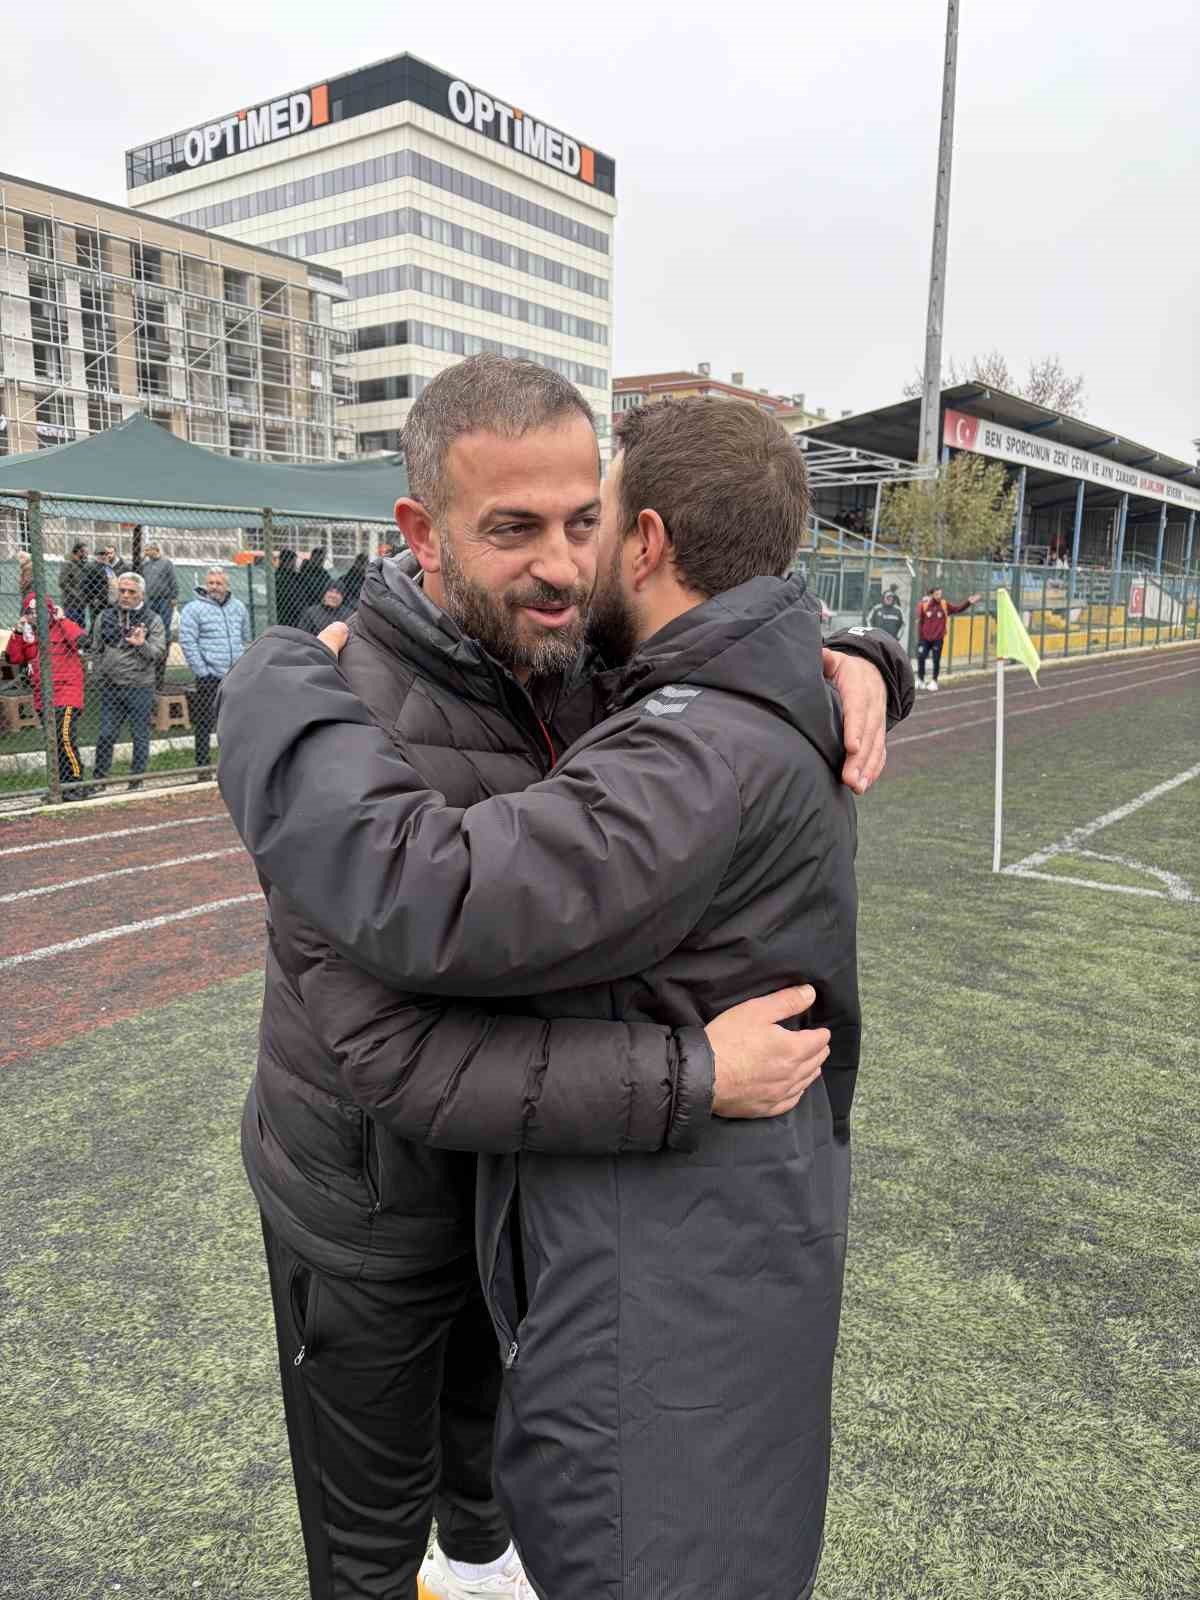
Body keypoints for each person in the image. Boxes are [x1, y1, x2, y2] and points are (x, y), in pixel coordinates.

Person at [218, 357, 912, 1600]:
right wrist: (694, 1073)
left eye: (582, 521)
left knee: (490, 1513)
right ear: (421, 533)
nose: (558, 563)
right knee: (370, 1546)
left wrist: (857, 657)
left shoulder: (596, 663)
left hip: (527, 1202)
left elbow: (725, 626)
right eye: (513, 529)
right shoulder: (345, 713)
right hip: (368, 1213)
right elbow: (398, 1055)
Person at [85, 571, 166, 791]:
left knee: (140, 735)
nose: (125, 595)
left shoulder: (153, 619)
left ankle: (136, 780)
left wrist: (142, 645)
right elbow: (96, 649)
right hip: (111, 687)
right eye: (122, 591)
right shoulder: (104, 616)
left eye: (131, 591)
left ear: (141, 594)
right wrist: (99, 674)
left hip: (140, 687)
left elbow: (159, 652)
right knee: (106, 734)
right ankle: (100, 780)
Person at [5, 592, 88, 797]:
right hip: (43, 696)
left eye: (39, 611)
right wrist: (17, 632)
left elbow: (83, 641)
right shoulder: (27, 635)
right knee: (54, 742)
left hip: (67, 691)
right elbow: (13, 658)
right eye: (30, 612)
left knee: (64, 737)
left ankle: (76, 783)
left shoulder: (62, 626)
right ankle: (60, 785)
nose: (35, 616)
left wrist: (62, 619)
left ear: (50, 611)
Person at [179, 568, 250, 778]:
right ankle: (203, 767)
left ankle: (235, 763)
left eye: (219, 583)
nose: (214, 587)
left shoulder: (238, 607)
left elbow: (244, 636)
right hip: (209, 676)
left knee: (236, 721)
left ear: (226, 585)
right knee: (204, 722)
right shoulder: (194, 609)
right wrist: (202, 671)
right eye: (211, 583)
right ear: (205, 585)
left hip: (235, 675)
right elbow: (188, 642)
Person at [916, 582, 981, 689]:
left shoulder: (944, 604)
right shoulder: (924, 605)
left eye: (940, 594)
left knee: (936, 660)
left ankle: (934, 681)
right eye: (937, 594)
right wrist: (920, 638)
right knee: (921, 658)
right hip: (925, 639)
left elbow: (957, 609)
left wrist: (968, 603)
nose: (939, 596)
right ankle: (920, 680)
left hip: (938, 639)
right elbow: (920, 622)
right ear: (932, 595)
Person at [141, 541, 178, 691]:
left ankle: (164, 643)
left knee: (164, 626)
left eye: (147, 550)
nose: (145, 552)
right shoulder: (146, 565)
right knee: (151, 626)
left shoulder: (166, 563)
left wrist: (174, 596)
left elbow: (173, 580)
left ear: (154, 550)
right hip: (151, 600)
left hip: (164, 600)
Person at [82, 543, 117, 627]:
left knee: (106, 622)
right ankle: (93, 639)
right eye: (101, 554)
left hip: (108, 600)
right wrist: (93, 599)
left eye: (105, 554)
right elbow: (85, 585)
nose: (104, 556)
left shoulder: (106, 566)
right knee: (96, 623)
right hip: (98, 601)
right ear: (96, 555)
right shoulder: (91, 566)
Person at [59, 541, 90, 626]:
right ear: (78, 552)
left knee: (81, 627)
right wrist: (77, 595)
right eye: (85, 552)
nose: (86, 555)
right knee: (72, 626)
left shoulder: (82, 565)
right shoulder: (68, 564)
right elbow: (62, 582)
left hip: (81, 604)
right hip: (71, 604)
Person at [297, 546, 331, 610]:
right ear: (313, 558)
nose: (321, 562)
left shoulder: (324, 573)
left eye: (322, 560)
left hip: (318, 603)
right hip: (306, 602)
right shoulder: (304, 572)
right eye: (320, 559)